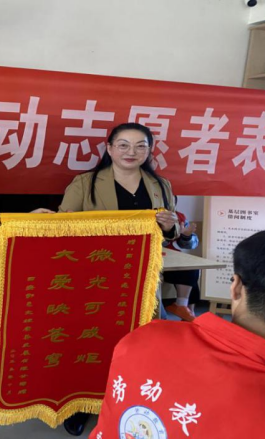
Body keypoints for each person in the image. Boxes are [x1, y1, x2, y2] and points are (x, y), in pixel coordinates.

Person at [90, 227, 265, 438]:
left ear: (235, 287)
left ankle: (181, 304)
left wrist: (179, 232)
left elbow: (188, 242)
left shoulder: (144, 337)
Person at [57, 122, 179, 436]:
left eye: (140, 146)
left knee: (139, 343)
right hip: (95, 278)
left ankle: (130, 400)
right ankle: (82, 405)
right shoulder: (85, 183)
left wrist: (169, 226)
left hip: (142, 277)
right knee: (92, 341)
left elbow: (171, 231)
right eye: (123, 145)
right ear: (110, 149)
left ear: (149, 151)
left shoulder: (160, 185)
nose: (131, 152)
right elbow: (61, 227)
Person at [163, 206, 201, 321]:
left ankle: (187, 309)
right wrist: (167, 233)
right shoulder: (149, 214)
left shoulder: (179, 216)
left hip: (173, 259)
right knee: (188, 272)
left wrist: (186, 236)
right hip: (154, 258)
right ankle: (185, 309)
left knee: (192, 267)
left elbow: (190, 245)